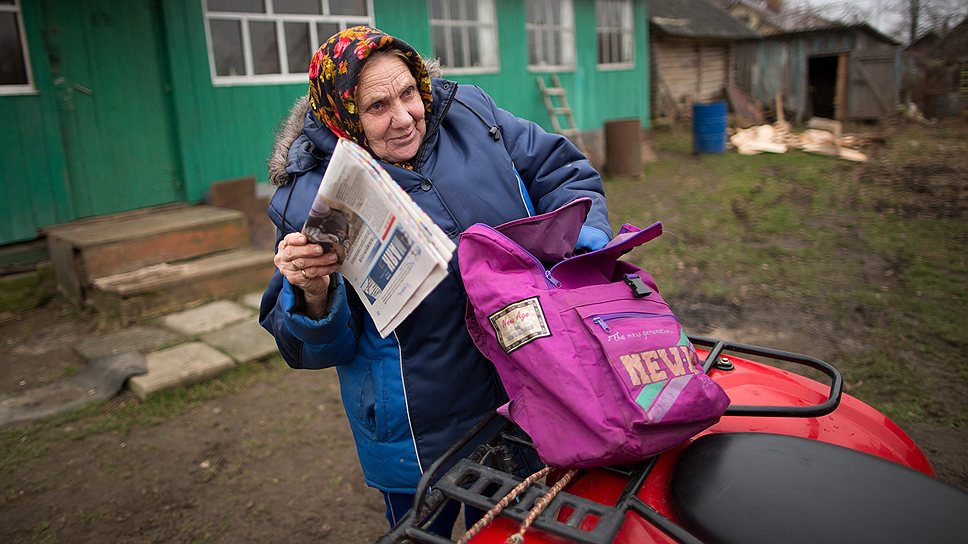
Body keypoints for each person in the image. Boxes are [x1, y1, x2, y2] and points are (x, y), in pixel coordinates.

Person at [260, 26, 611, 536]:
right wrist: (312, 293)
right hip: (419, 428)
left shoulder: (470, 116)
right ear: (343, 117)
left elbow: (563, 173)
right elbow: (310, 349)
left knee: (524, 527)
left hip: (531, 384)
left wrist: (576, 251)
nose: (404, 117)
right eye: (377, 107)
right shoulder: (309, 199)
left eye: (408, 92)